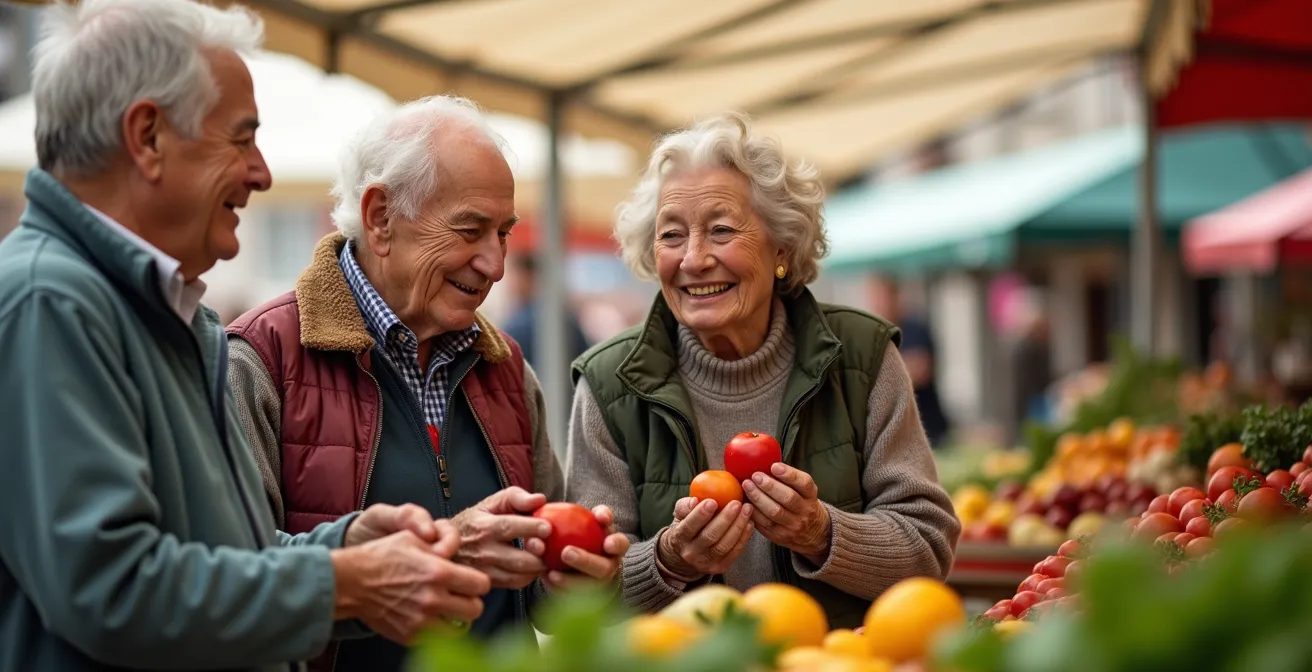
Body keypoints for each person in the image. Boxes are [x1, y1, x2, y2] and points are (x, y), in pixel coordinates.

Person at [0, 1, 492, 670]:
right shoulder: (51, 302)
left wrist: (345, 549)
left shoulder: (167, 316)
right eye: (240, 138)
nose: (259, 172)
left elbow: (223, 558)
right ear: (146, 137)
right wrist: (345, 581)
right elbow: (110, 587)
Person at [226, 95, 628, 671]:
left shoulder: (507, 368)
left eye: (504, 233)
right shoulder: (262, 359)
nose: (494, 263)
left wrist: (578, 573)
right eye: (470, 229)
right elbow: (232, 579)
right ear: (381, 217)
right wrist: (440, 549)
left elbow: (539, 594)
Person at [566, 112, 960, 628]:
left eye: (722, 230)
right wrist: (668, 562)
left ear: (781, 248)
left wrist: (821, 533)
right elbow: (577, 594)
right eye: (671, 236)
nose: (694, 259)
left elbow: (929, 547)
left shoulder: (861, 357)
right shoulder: (608, 382)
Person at [500, 253, 591, 370]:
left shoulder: (520, 323)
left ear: (528, 277)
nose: (511, 284)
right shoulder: (565, 317)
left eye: (513, 275)